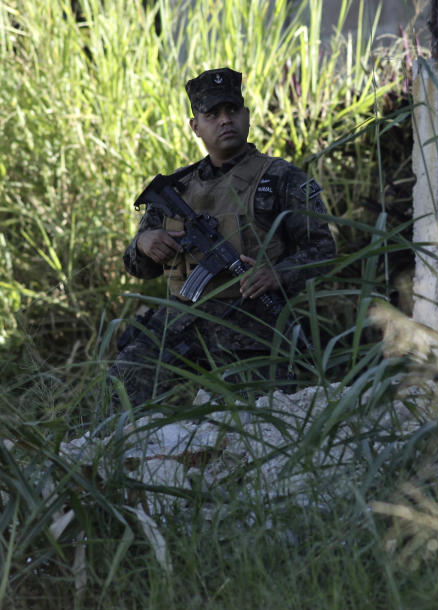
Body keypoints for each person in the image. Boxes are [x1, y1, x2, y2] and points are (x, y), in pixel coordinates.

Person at [108, 67, 336, 408]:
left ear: (246, 116)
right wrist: (143, 244)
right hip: (180, 322)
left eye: (232, 110)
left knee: (256, 420)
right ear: (195, 127)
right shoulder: (175, 189)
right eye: (212, 114)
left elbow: (323, 249)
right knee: (121, 386)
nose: (224, 120)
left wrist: (276, 274)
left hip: (251, 327)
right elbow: (138, 268)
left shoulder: (280, 178)